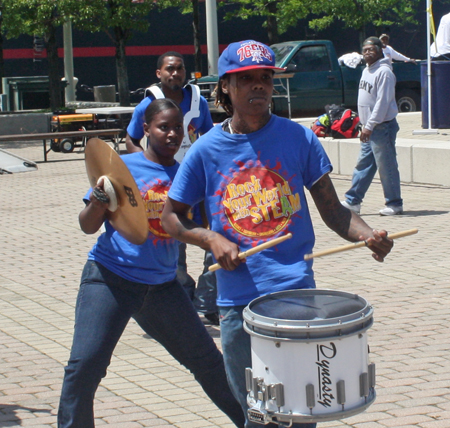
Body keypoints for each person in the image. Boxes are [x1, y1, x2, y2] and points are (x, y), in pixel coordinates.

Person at [161, 39, 394, 428]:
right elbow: (172, 217)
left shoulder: (298, 138)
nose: (258, 86)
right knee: (256, 415)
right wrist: (211, 239)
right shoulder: (206, 150)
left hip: (296, 300)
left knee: (302, 414)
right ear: (226, 88)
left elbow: (335, 211)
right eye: (246, 79)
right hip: (237, 305)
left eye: (265, 78)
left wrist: (369, 236)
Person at [57, 99, 245, 428]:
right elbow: (87, 225)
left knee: (208, 363)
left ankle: (252, 424)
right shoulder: (121, 167)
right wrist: (100, 201)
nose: (172, 134)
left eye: (178, 128)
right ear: (146, 129)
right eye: (163, 127)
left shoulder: (187, 175)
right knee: (85, 365)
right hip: (110, 278)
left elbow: (200, 226)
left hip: (162, 288)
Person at [126, 51, 219, 323]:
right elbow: (131, 139)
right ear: (159, 73)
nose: (175, 73)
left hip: (198, 183)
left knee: (214, 241)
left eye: (179, 68)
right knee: (171, 248)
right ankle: (184, 294)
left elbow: (209, 137)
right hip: (165, 187)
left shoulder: (198, 101)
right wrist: (146, 170)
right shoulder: (148, 104)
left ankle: (206, 302)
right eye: (169, 69)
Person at [341, 36, 403, 216]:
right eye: (365, 49)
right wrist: (364, 124)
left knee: (387, 166)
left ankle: (395, 204)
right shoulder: (367, 70)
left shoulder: (384, 72)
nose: (367, 52)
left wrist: (370, 125)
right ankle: (353, 202)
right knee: (364, 165)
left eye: (371, 49)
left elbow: (382, 103)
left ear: (380, 51)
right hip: (369, 127)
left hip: (381, 127)